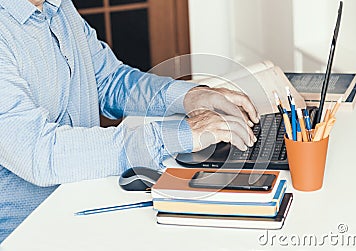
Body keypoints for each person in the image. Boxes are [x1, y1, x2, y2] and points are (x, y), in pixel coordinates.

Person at [0, 0, 259, 242]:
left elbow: (108, 80)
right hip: (29, 231)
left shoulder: (58, 7)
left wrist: (190, 97)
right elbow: (37, 152)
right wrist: (176, 135)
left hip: (85, 194)